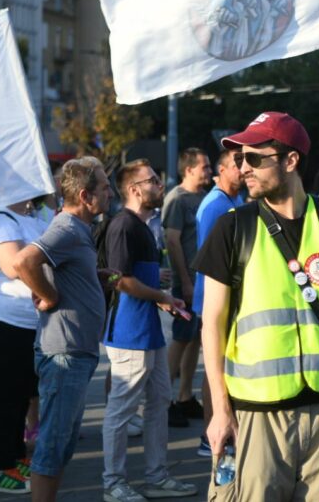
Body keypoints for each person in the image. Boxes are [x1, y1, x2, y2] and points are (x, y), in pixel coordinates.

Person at [197, 111, 319, 501]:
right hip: (256, 416)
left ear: (291, 161)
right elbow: (212, 325)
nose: (244, 168)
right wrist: (219, 411)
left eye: (255, 158)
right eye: (240, 159)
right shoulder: (232, 227)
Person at [12, 157, 111, 502]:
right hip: (64, 352)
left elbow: (60, 269)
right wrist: (48, 295)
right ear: (85, 196)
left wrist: (93, 279)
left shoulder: (78, 230)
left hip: (76, 351)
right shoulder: (66, 227)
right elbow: (23, 261)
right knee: (54, 442)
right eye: (104, 187)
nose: (110, 192)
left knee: (63, 441)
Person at [102, 159, 196, 502]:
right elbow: (120, 280)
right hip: (129, 333)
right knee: (121, 410)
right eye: (153, 180)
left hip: (148, 330)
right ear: (134, 189)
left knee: (159, 403)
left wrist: (159, 291)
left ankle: (157, 476)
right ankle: (113, 482)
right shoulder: (123, 225)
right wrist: (161, 295)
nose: (160, 184)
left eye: (158, 178)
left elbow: (135, 277)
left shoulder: (142, 225)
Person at [0, 199, 50, 494]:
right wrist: (48, 290)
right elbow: (14, 266)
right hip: (1, 319)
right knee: (4, 397)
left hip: (27, 321)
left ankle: (16, 459)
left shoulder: (31, 217)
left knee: (20, 395)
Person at [192, 147, 245, 457]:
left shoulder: (232, 200)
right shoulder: (214, 206)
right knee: (216, 368)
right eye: (236, 164)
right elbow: (214, 259)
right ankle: (208, 432)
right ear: (221, 171)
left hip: (228, 296)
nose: (242, 169)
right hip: (214, 298)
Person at [163, 148, 212, 428]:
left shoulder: (202, 198)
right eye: (204, 167)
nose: (208, 171)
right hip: (187, 283)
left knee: (194, 338)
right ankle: (165, 400)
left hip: (200, 281)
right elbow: (173, 241)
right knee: (181, 337)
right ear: (189, 169)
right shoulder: (177, 200)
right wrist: (185, 281)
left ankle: (184, 396)